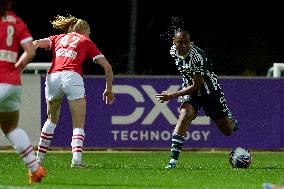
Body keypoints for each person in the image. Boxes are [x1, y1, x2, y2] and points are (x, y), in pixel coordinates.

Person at [31, 15, 115, 168]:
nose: (89, 36)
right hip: (72, 77)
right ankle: (76, 160)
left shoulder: (58, 38)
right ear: (84, 31)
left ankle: (38, 160)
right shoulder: (85, 41)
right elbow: (108, 67)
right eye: (89, 33)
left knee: (51, 120)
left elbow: (35, 43)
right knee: (78, 123)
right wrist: (109, 89)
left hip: (53, 77)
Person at [156, 31, 238, 169]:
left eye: (186, 42)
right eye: (179, 42)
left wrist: (172, 95)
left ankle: (230, 118)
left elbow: (197, 85)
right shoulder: (172, 51)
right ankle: (173, 161)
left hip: (209, 92)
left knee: (228, 131)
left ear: (190, 43)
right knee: (184, 116)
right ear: (174, 43)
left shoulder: (197, 57)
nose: (183, 45)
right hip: (191, 90)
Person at [0, 0, 47, 184]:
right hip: (12, 83)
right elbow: (30, 51)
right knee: (10, 128)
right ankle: (35, 170)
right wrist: (17, 68)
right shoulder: (17, 22)